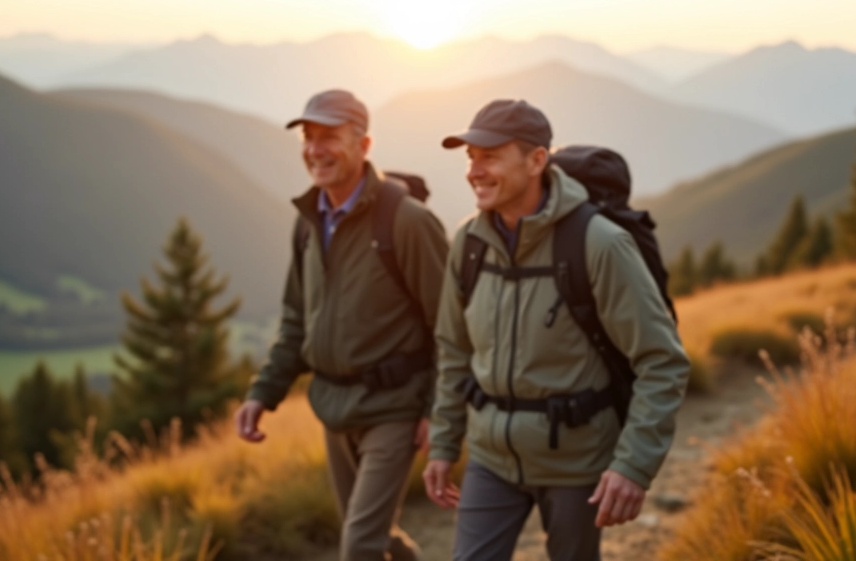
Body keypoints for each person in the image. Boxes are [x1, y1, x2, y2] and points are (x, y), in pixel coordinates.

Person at [423, 99, 690, 560]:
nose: (474, 170)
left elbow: (662, 361)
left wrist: (633, 466)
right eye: (470, 157)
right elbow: (453, 350)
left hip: (577, 461)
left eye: (490, 156)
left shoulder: (600, 244)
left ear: (536, 161)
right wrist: (445, 442)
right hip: (490, 458)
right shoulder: (468, 244)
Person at [235, 89, 449, 561]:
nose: (315, 149)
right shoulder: (309, 222)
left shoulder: (408, 222)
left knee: (358, 546)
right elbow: (296, 319)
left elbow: (450, 328)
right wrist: (261, 394)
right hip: (333, 409)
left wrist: (438, 411)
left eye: (329, 136)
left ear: (364, 144)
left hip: (394, 407)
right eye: (308, 137)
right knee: (370, 532)